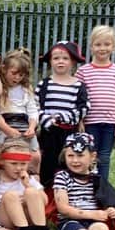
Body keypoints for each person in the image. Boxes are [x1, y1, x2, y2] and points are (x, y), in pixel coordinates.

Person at [76, 26, 115, 183]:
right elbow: (78, 98)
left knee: (105, 156)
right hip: (90, 121)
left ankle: (102, 187)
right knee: (89, 155)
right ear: (91, 47)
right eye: (98, 44)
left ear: (114, 46)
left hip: (110, 122)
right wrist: (80, 120)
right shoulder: (83, 71)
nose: (102, 48)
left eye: (107, 44)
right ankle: (87, 185)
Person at [36, 40, 89, 188]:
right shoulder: (44, 84)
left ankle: (68, 191)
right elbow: (35, 105)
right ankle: (47, 192)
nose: (60, 61)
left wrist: (63, 118)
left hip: (69, 133)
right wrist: (46, 120)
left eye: (65, 58)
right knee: (47, 163)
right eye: (56, 58)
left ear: (73, 62)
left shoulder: (78, 85)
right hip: (48, 132)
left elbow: (84, 108)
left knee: (69, 163)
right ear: (50, 61)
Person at [0, 137, 53, 230]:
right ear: (2, 162)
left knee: (32, 192)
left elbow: (45, 200)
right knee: (11, 195)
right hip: (7, 220)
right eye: (13, 164)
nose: (19, 168)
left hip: (29, 219)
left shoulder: (29, 179)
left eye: (23, 164)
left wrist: (27, 185)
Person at [0, 48, 40, 176]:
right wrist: (7, 129)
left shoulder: (26, 89)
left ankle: (33, 181)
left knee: (35, 156)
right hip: (4, 124)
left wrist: (32, 128)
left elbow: (33, 111)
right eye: (14, 73)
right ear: (4, 69)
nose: (17, 78)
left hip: (24, 124)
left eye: (21, 75)